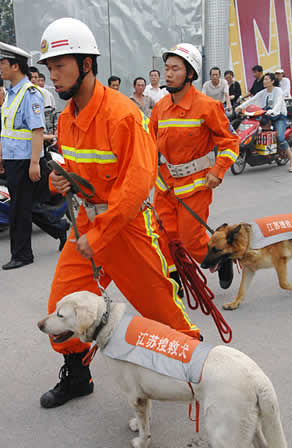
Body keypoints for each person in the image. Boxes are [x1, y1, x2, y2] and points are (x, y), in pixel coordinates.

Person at [37, 17, 200, 409]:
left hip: (126, 229)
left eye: (61, 65)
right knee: (61, 307)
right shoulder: (65, 117)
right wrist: (61, 182)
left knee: (165, 314)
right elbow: (79, 174)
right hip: (87, 227)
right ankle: (78, 375)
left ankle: (197, 374)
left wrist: (98, 235)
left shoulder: (123, 115)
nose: (53, 76)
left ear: (87, 64)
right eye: (49, 68)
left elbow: (135, 187)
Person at [150, 43, 239, 288]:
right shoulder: (160, 108)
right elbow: (148, 144)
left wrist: (218, 170)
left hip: (195, 185)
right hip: (165, 184)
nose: (168, 73)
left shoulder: (207, 106)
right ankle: (174, 281)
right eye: (166, 68)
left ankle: (221, 259)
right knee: (163, 236)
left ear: (190, 73)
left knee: (190, 240)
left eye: (175, 69)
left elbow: (230, 142)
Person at [0, 42, 69, 270]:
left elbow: (37, 131)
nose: (0, 67)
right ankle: (59, 228)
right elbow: (7, 130)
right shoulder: (10, 94)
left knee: (20, 208)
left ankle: (22, 254)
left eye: (3, 63)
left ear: (15, 66)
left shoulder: (30, 94)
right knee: (24, 205)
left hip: (25, 160)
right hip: (12, 160)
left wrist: (33, 163)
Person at [236, 72, 292, 172]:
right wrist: (240, 107)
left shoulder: (278, 91)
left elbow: (278, 102)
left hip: (278, 116)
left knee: (280, 138)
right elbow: (253, 99)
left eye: (267, 79)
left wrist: (273, 111)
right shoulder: (263, 92)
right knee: (256, 130)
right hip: (266, 115)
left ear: (272, 81)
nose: (264, 81)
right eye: (264, 79)